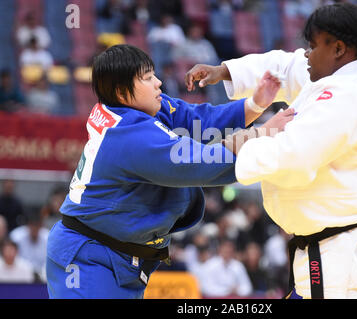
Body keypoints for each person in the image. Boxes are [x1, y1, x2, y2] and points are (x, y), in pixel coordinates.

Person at [185, 3, 357, 299]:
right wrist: (226, 70)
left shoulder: (347, 96)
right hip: (349, 250)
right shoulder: (349, 70)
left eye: (312, 46)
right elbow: (286, 66)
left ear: (338, 49)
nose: (306, 54)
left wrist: (245, 141)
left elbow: (292, 156)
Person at [45, 44, 292, 299]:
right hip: (89, 260)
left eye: (154, 74)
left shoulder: (143, 108)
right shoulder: (129, 136)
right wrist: (261, 134)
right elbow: (200, 164)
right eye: (147, 78)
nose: (158, 83)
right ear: (121, 92)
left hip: (118, 256)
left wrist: (255, 105)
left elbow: (199, 121)